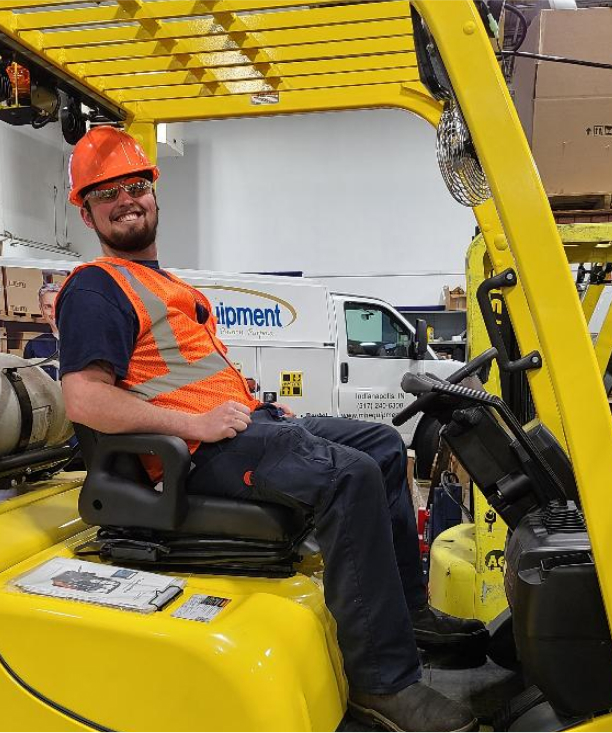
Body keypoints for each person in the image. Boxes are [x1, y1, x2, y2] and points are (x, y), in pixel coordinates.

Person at [57, 126, 484, 732]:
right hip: (198, 452)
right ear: (87, 211)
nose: (126, 201)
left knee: (383, 445)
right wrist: (193, 422)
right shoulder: (96, 289)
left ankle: (407, 612)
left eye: (134, 186)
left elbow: (190, 373)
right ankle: (383, 684)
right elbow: (84, 398)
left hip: (242, 429)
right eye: (107, 195)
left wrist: (255, 407)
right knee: (349, 477)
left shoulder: (166, 283)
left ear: (153, 190)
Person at [23, 283, 61, 379]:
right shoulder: (34, 345)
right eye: (48, 306)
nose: (53, 312)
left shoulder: (84, 342)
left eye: (58, 305)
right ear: (41, 310)